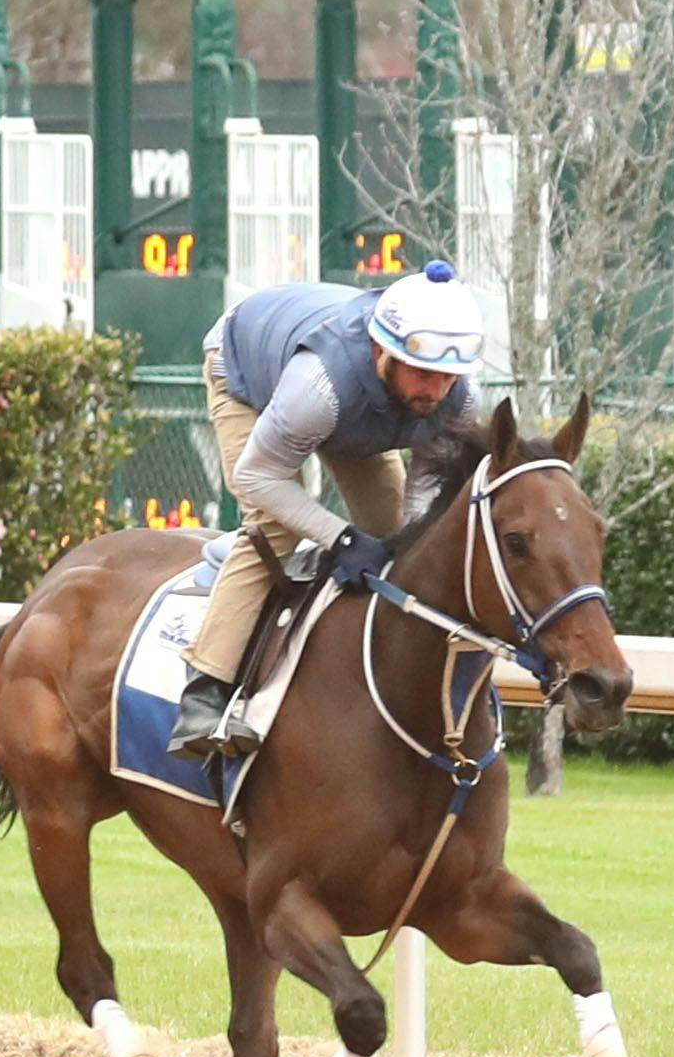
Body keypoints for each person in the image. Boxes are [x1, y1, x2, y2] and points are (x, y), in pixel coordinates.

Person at [168, 262, 489, 761]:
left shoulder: (457, 400)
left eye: (447, 378)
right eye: (423, 372)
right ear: (383, 352)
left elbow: (424, 502)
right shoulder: (320, 387)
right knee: (273, 527)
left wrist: (398, 540)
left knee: (397, 538)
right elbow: (256, 476)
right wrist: (338, 537)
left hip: (353, 411)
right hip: (248, 371)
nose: (434, 390)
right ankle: (205, 693)